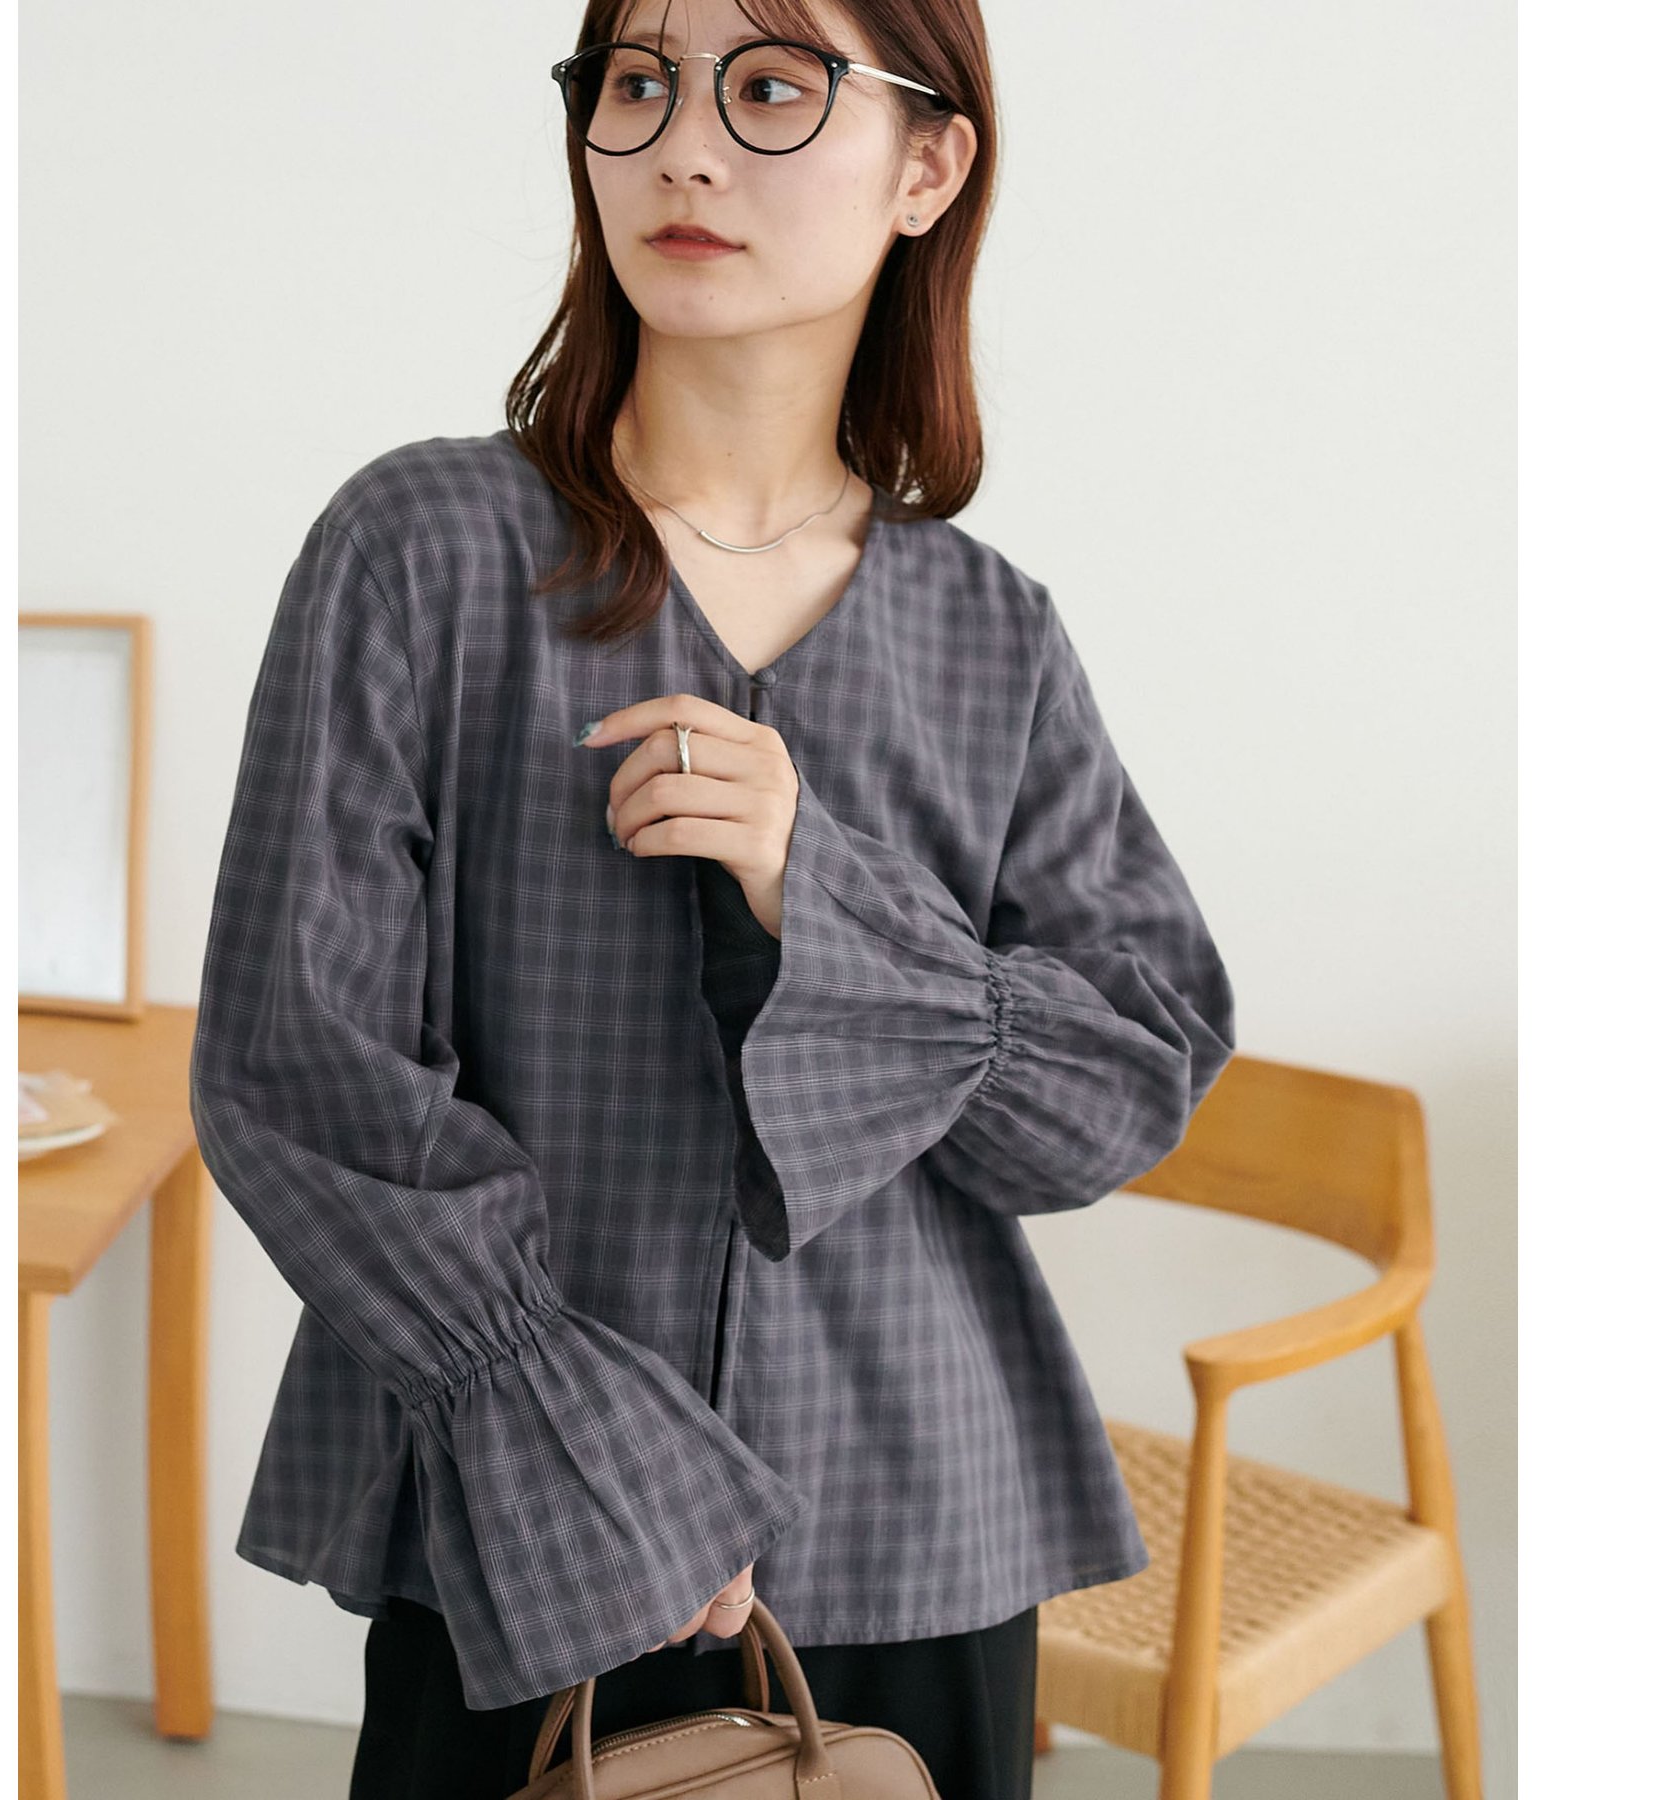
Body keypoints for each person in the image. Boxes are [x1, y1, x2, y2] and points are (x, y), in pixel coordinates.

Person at [188, 1, 1237, 1796]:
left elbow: (1122, 1085)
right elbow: (299, 1069)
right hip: (530, 1521)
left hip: (917, 1531)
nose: (681, 146)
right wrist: (592, 1455)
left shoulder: (991, 632)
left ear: (929, 164)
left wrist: (822, 890)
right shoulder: (424, 551)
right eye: (636, 84)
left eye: (770, 90)